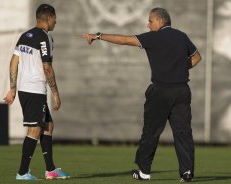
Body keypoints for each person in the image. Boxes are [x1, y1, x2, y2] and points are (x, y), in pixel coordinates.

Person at [81, 7, 201, 182]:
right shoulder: (182, 36)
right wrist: (179, 68)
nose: (148, 24)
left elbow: (123, 40)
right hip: (182, 91)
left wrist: (99, 36)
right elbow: (197, 57)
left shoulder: (153, 37)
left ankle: (144, 172)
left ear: (160, 21)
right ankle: (187, 172)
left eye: (150, 21)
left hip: (160, 91)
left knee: (151, 132)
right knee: (183, 132)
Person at [3, 4, 70, 180]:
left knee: (48, 126)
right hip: (34, 90)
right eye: (55, 18)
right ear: (48, 18)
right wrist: (55, 93)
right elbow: (47, 67)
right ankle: (22, 172)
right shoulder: (45, 37)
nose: (56, 21)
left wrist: (12, 88)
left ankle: (51, 170)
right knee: (34, 129)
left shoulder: (25, 36)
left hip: (26, 89)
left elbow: (13, 62)